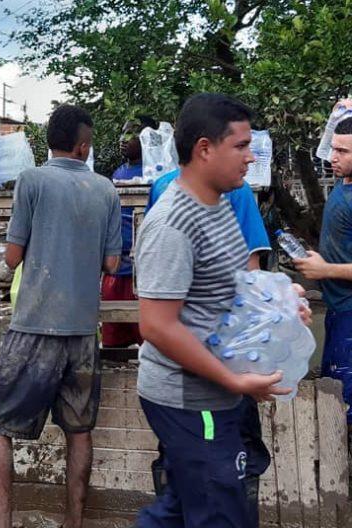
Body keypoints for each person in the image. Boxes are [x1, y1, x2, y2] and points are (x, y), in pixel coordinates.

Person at [134, 93, 308, 527]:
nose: (251, 157)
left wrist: (282, 309)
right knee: (219, 512)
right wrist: (232, 379)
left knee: (178, 510)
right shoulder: (173, 225)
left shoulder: (218, 205)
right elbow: (156, 325)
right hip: (194, 400)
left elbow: (232, 292)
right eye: (241, 146)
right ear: (205, 149)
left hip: (216, 392)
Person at [0, 105, 122, 528]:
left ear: (49, 143)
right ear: (83, 145)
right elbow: (113, 264)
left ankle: (1, 523)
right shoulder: (107, 189)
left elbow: (12, 256)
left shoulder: (32, 180)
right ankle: (74, 522)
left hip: (35, 327)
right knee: (78, 429)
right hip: (83, 330)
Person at [294, 113, 352, 444]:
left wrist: (325, 270)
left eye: (343, 151)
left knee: (345, 406)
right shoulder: (343, 183)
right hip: (337, 310)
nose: (332, 158)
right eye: (333, 149)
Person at [101, 116, 158, 348]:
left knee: (149, 339)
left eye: (131, 134)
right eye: (122, 133)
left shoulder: (156, 173)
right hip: (116, 268)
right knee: (113, 340)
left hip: (143, 271)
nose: (122, 139)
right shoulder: (118, 172)